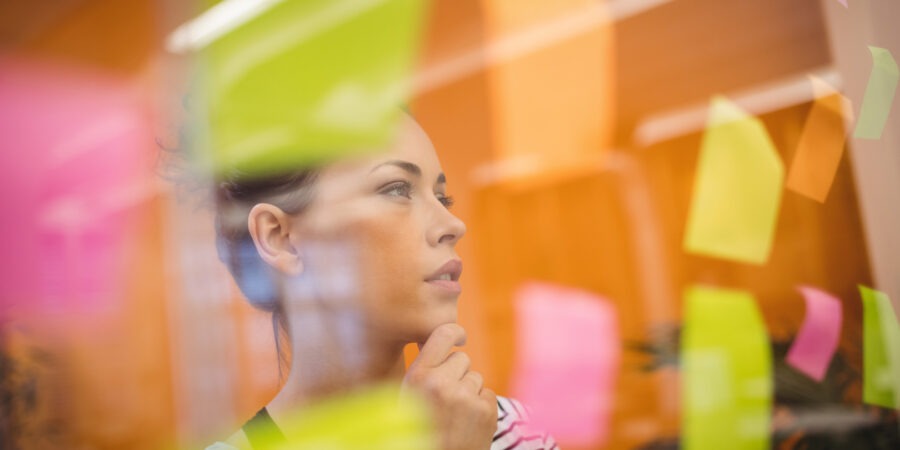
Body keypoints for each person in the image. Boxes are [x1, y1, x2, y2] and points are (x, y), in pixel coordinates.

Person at [197, 112, 557, 450]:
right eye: (397, 189)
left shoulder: (516, 433)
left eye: (442, 197)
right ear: (280, 238)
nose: (453, 224)